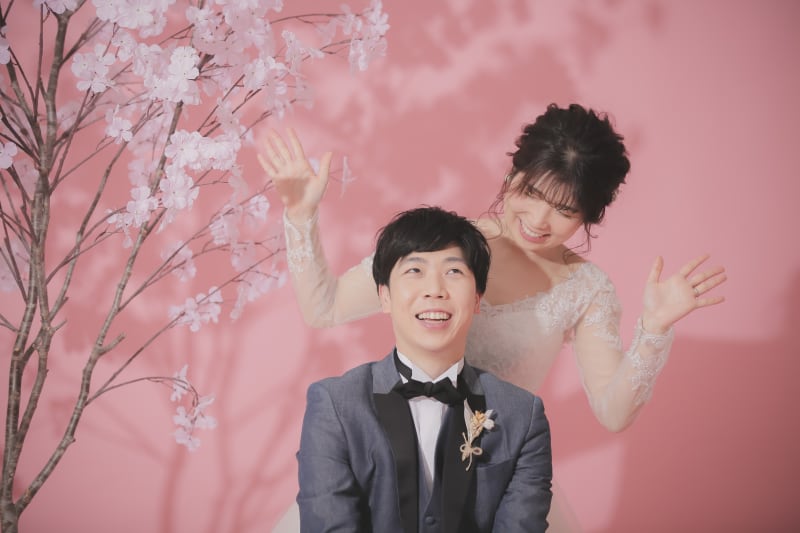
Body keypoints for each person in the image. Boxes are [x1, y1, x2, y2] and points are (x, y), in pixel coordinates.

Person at [261, 103, 727, 531]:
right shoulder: (444, 246)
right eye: (531, 192)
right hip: (390, 459)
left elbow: (613, 412)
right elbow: (324, 306)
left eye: (564, 209)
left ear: (590, 216)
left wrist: (654, 330)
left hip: (496, 477)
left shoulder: (586, 289)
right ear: (512, 173)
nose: (539, 220)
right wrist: (301, 215)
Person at [296, 206, 552, 532]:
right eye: (415, 270)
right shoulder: (334, 405)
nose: (435, 290)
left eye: (454, 271)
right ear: (384, 296)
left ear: (477, 298)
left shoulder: (523, 415)